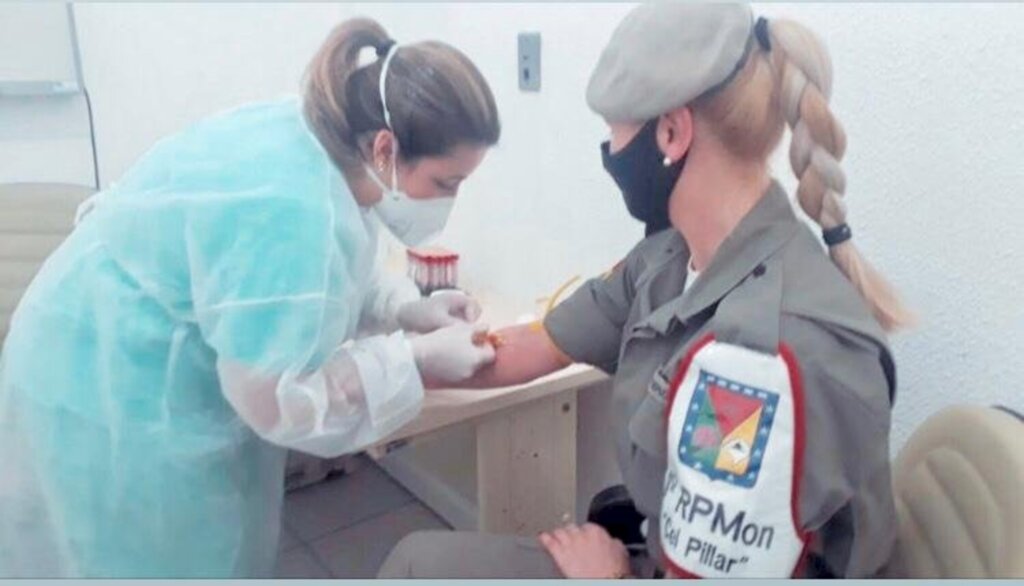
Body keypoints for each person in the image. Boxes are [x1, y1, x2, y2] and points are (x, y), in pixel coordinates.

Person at [378, 3, 913, 579]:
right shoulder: (670, 259)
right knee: (417, 559)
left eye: (615, 130)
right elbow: (538, 344)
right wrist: (396, 365)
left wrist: (609, 576)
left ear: (671, 132)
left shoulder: (759, 362)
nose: (610, 150)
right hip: (659, 552)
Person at [0, 17, 500, 578]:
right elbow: (279, 401)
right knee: (144, 559)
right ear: (386, 148)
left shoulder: (324, 144)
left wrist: (403, 308)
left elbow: (318, 269)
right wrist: (413, 359)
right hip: (101, 385)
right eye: (446, 183)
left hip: (118, 344)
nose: (450, 200)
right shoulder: (292, 203)